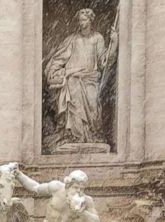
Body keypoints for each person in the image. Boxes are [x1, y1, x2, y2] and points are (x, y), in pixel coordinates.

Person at [44, 8, 117, 147]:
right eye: (79, 20)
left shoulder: (97, 38)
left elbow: (104, 61)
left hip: (91, 79)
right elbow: (59, 59)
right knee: (74, 104)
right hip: (74, 78)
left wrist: (114, 43)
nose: (81, 22)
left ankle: (92, 134)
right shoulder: (72, 40)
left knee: (93, 105)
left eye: (84, 20)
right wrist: (55, 71)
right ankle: (76, 136)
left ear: (90, 20)